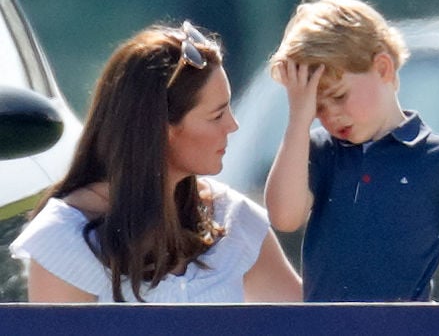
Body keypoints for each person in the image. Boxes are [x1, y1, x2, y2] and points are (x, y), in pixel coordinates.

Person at [10, 20, 302, 303]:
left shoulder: (232, 218)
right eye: (217, 115)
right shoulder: (63, 239)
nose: (233, 125)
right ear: (162, 130)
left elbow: (311, 319)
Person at [265, 0, 439, 302]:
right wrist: (298, 122)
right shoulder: (317, 150)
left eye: (340, 96)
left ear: (383, 68)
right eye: (317, 107)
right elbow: (284, 217)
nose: (330, 115)